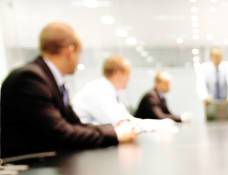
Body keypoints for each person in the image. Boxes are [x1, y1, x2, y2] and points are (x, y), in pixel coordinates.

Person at [0, 22, 135, 159]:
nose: (79, 60)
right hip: (27, 169)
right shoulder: (30, 79)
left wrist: (112, 130)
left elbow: (74, 124)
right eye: (79, 53)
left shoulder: (50, 79)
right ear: (70, 51)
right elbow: (60, 133)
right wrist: (115, 134)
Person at [73, 55, 133, 125]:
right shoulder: (99, 89)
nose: (129, 78)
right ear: (119, 73)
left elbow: (125, 117)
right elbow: (117, 122)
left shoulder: (106, 89)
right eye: (128, 74)